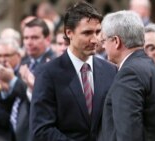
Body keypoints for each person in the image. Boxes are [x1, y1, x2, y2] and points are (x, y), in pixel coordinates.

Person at [30, 1, 117, 141]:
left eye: (97, 32)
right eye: (87, 33)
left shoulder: (110, 70)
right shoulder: (47, 73)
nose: (95, 40)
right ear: (69, 32)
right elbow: (42, 129)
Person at [99, 10, 155, 141]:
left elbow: (128, 134)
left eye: (104, 40)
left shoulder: (129, 74)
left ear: (116, 41)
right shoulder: (154, 68)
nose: (102, 46)